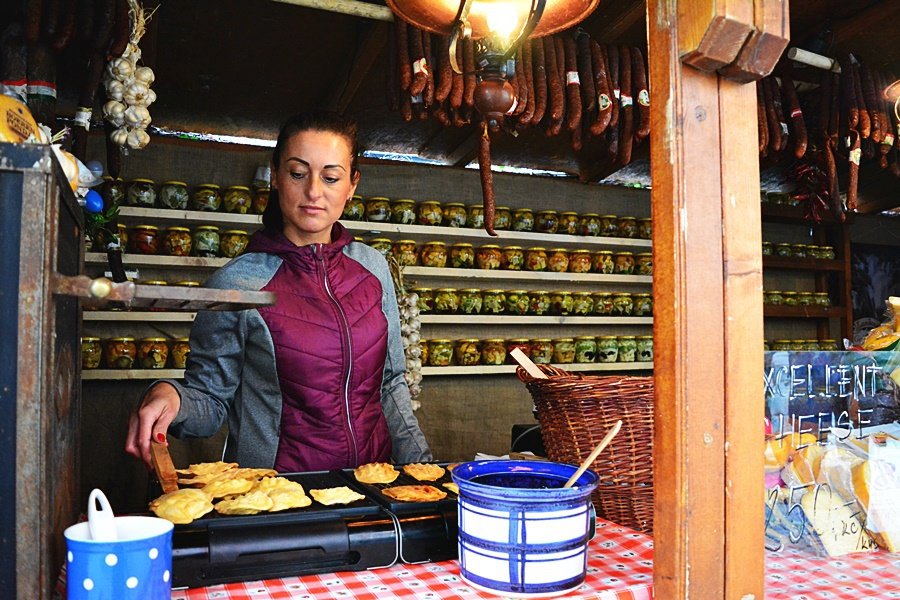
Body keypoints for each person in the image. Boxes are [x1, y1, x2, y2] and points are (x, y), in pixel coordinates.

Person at [125, 110, 432, 472]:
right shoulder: (238, 284)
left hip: (371, 487)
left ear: (352, 186)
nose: (314, 191)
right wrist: (171, 396)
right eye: (298, 173)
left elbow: (391, 383)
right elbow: (209, 400)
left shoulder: (373, 270)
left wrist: (423, 466)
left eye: (331, 177)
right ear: (275, 176)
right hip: (278, 496)